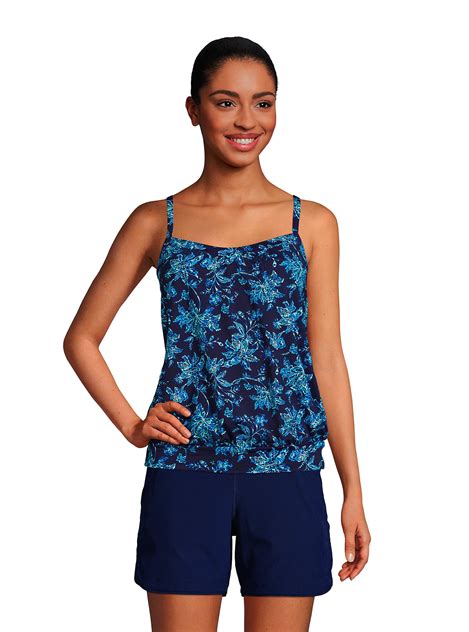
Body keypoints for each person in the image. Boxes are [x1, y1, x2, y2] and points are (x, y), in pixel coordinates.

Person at [63, 36, 371, 632]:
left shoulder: (312, 223)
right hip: (185, 469)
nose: (247, 120)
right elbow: (81, 338)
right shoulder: (155, 221)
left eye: (263, 103)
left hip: (288, 470)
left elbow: (327, 358)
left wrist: (352, 487)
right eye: (226, 102)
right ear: (194, 109)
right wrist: (132, 425)